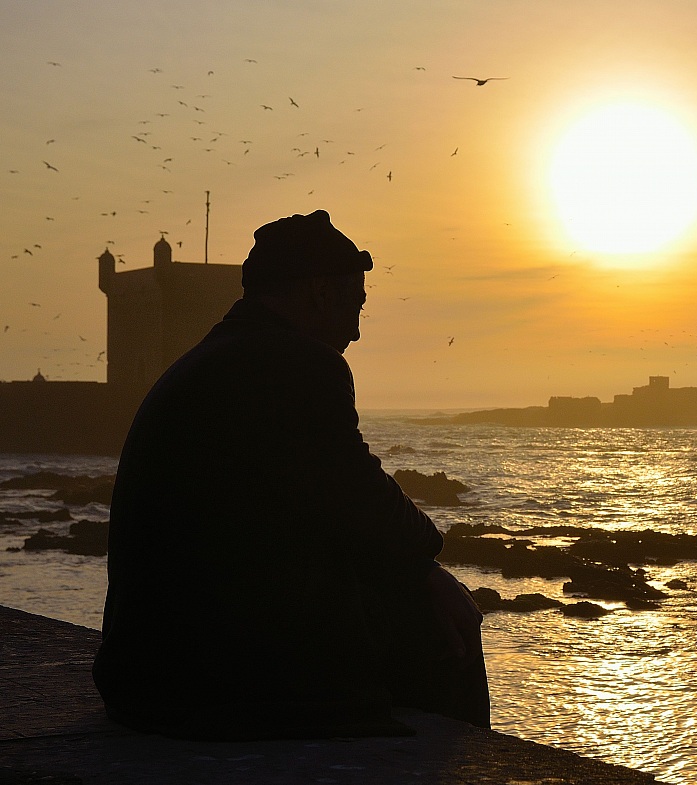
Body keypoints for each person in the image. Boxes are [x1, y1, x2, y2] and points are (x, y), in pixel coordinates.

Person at [93, 209, 488, 740]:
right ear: (320, 293)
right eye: (355, 306)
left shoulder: (209, 359)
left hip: (143, 673)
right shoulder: (299, 365)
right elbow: (365, 502)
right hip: (211, 683)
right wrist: (427, 563)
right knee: (446, 628)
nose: (357, 330)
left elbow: (314, 504)